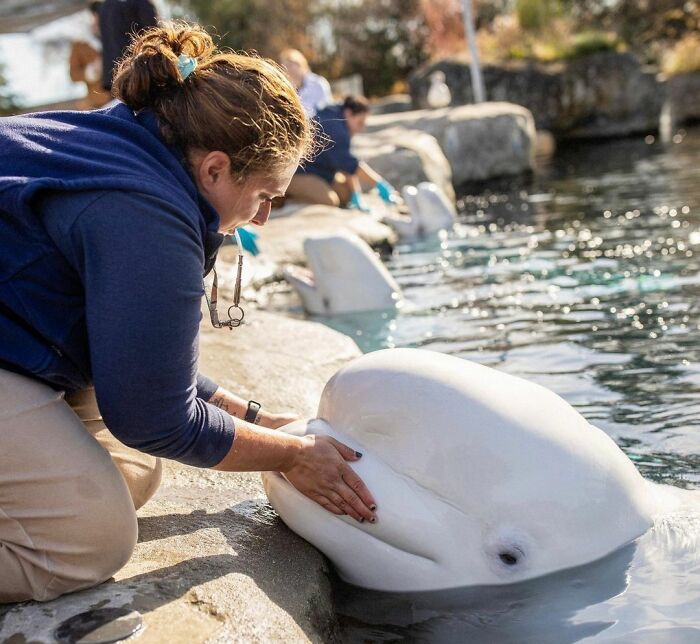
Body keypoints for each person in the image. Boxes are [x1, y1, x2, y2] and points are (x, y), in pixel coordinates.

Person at [0, 22, 376, 604]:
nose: (263, 219)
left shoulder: (135, 141)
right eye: (266, 196)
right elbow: (157, 419)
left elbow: (142, 355)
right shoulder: (146, 213)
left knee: (132, 473)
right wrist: (294, 456)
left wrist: (253, 416)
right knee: (86, 537)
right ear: (216, 169)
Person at [286, 95, 399, 210]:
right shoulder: (335, 128)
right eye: (360, 122)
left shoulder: (339, 119)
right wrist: (379, 184)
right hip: (299, 174)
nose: (361, 128)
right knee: (330, 201)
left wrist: (356, 195)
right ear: (349, 113)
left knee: (347, 195)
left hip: (322, 173)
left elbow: (346, 165)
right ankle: (285, 200)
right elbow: (351, 164)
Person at [99, 0, 158, 91]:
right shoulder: (139, 4)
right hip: (139, 73)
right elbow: (153, 35)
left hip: (116, 76)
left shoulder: (105, 7)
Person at [69, 1, 111, 109]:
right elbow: (73, 74)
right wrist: (91, 71)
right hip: (100, 100)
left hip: (123, 94)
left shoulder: (113, 34)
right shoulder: (80, 44)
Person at [279, 48, 332, 118]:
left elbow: (325, 111)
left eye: (290, 65)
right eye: (284, 66)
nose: (288, 70)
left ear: (300, 63)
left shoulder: (319, 84)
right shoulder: (286, 90)